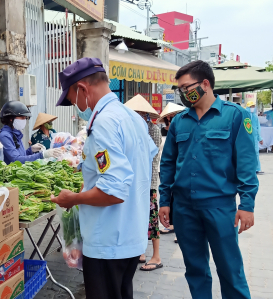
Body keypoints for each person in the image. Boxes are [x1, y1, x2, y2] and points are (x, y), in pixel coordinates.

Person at [51, 57, 158, 299]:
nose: (76, 106)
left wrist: (73, 198)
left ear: (82, 89)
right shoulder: (133, 119)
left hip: (109, 240)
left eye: (72, 100)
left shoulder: (103, 124)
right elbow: (140, 163)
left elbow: (112, 191)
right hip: (131, 234)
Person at [159, 60, 258, 299]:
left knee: (230, 269)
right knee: (195, 269)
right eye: (180, 89)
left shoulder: (235, 116)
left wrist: (247, 205)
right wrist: (164, 200)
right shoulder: (179, 122)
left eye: (186, 87)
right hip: (183, 208)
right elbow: (168, 163)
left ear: (205, 83)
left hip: (219, 207)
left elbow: (246, 164)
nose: (183, 93)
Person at [124, 94, 163, 271]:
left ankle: (156, 255)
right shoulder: (131, 129)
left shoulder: (152, 130)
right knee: (137, 216)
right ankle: (141, 251)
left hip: (148, 180)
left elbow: (148, 156)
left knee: (151, 217)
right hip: (134, 180)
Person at [157, 102, 185, 241]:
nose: (171, 119)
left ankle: (179, 228)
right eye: (169, 117)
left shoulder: (184, 129)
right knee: (169, 195)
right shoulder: (163, 131)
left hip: (179, 169)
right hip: (165, 167)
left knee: (178, 197)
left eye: (173, 116)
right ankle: (174, 224)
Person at [246, 101, 263, 174]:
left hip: (255, 137)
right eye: (251, 107)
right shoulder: (245, 116)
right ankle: (248, 168)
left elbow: (258, 128)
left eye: (253, 106)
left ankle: (257, 168)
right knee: (247, 153)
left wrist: (260, 138)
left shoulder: (255, 116)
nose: (252, 108)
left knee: (256, 153)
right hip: (246, 138)